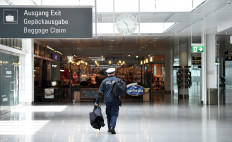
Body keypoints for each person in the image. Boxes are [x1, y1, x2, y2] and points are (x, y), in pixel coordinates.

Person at [95, 68, 122, 134]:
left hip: (107, 100)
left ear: (107, 74)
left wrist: (97, 102)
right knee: (114, 114)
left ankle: (109, 128)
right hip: (115, 100)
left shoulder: (104, 81)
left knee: (109, 114)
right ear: (114, 73)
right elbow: (123, 90)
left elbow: (100, 93)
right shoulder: (118, 80)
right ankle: (112, 127)